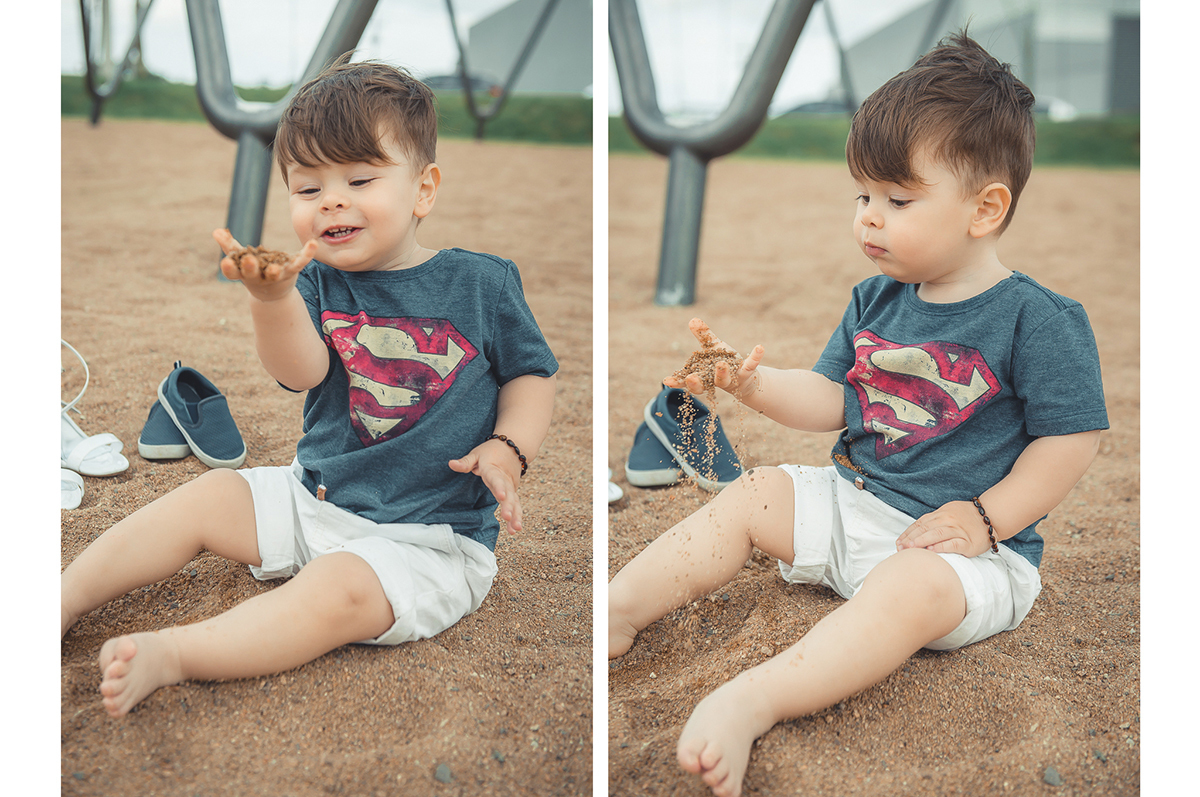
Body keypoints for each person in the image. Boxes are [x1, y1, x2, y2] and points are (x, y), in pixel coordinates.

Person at [608, 31, 1107, 797]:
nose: (869, 218)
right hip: (857, 502)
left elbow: (1071, 440)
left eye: (898, 200)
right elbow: (833, 398)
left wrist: (985, 518)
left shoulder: (1036, 319)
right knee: (755, 492)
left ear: (985, 208)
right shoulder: (875, 301)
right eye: (862, 196)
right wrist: (752, 383)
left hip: (963, 553)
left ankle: (755, 697)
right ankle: (618, 609)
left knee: (907, 592)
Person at [60, 56, 559, 718]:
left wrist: (509, 446)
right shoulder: (317, 283)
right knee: (209, 495)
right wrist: (271, 299)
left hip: (430, 540)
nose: (331, 200)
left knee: (337, 590)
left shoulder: (482, 284)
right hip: (313, 498)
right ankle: (61, 597)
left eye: (359, 178)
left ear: (423, 189)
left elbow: (532, 373)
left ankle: (176, 652)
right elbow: (302, 372)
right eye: (307, 188)